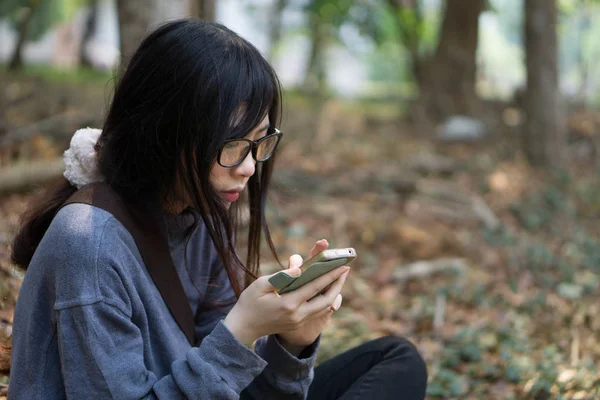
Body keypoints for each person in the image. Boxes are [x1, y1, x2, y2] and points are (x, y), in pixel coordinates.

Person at [7, 19, 427, 399]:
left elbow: (237, 389)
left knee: (396, 360)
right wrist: (241, 329)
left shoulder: (197, 211)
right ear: (164, 134)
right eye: (230, 144)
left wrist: (290, 341)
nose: (248, 166)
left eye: (259, 141)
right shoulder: (88, 246)